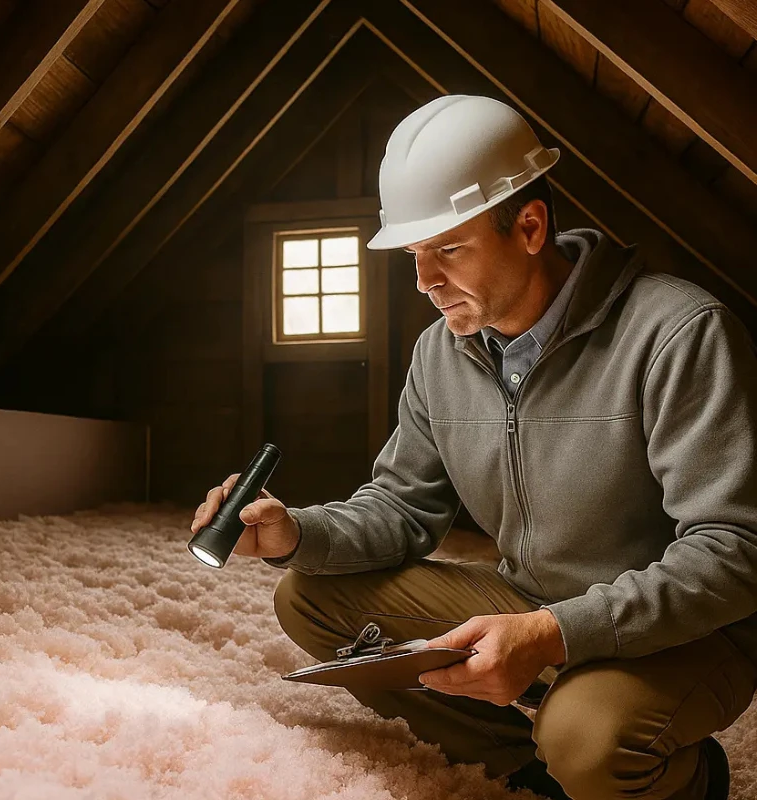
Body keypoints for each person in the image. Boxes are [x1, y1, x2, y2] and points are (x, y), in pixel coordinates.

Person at [190, 94, 757, 800]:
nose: (426, 281)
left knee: (586, 737)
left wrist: (554, 634)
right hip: (527, 598)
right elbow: (401, 508)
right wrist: (293, 532)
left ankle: (690, 778)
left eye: (449, 250)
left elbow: (735, 553)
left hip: (684, 631)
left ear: (528, 226)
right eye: (415, 255)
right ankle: (525, 761)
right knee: (307, 597)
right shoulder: (441, 354)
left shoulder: (678, 332)